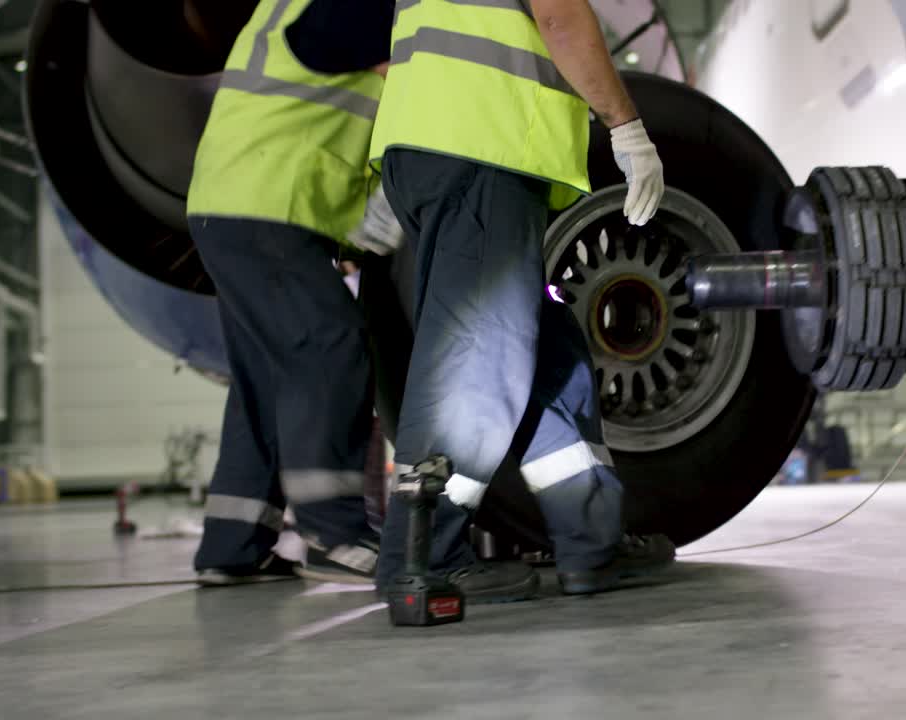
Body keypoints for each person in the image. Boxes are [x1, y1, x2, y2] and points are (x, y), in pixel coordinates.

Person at [369, 0, 675, 602]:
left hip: (439, 143)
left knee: (545, 354)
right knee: (478, 356)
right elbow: (559, 14)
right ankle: (422, 555)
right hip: (483, 143)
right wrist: (624, 124)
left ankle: (591, 542)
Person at [184, 0, 394, 586]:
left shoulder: (288, 9)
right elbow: (337, 40)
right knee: (329, 347)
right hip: (266, 209)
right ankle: (335, 529)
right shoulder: (339, 12)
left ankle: (233, 543)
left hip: (235, 205)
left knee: (266, 378)